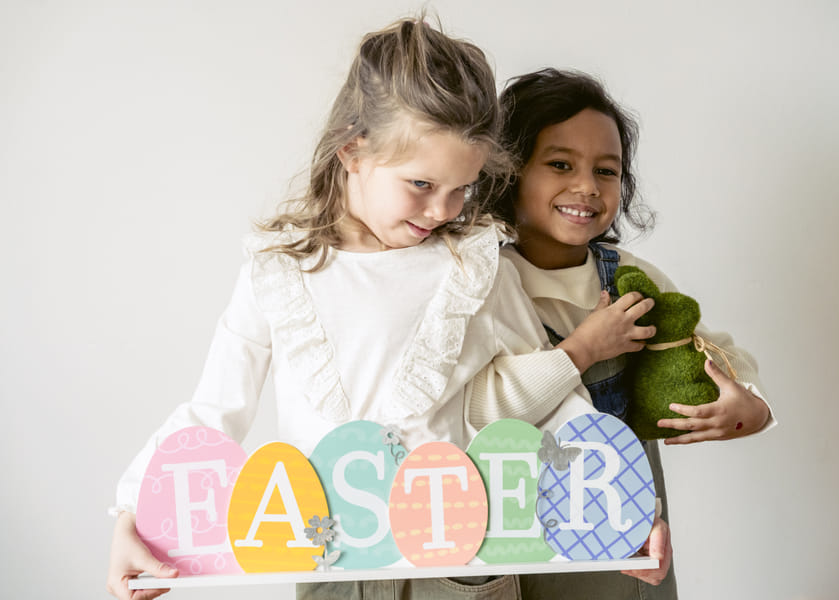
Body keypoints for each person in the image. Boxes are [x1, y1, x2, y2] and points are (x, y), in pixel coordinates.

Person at [105, 22, 670, 600]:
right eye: (421, 183)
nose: (442, 210)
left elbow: (556, 406)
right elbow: (213, 411)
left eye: (462, 188)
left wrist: (629, 511)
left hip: (461, 570)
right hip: (329, 570)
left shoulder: (475, 267)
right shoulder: (277, 272)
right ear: (353, 149)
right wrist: (133, 515)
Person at [491, 68, 777, 599]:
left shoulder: (629, 278)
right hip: (521, 540)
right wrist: (584, 349)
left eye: (606, 170)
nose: (587, 186)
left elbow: (718, 355)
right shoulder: (482, 285)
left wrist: (749, 408)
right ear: (508, 172)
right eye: (560, 164)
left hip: (629, 540)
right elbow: (479, 407)